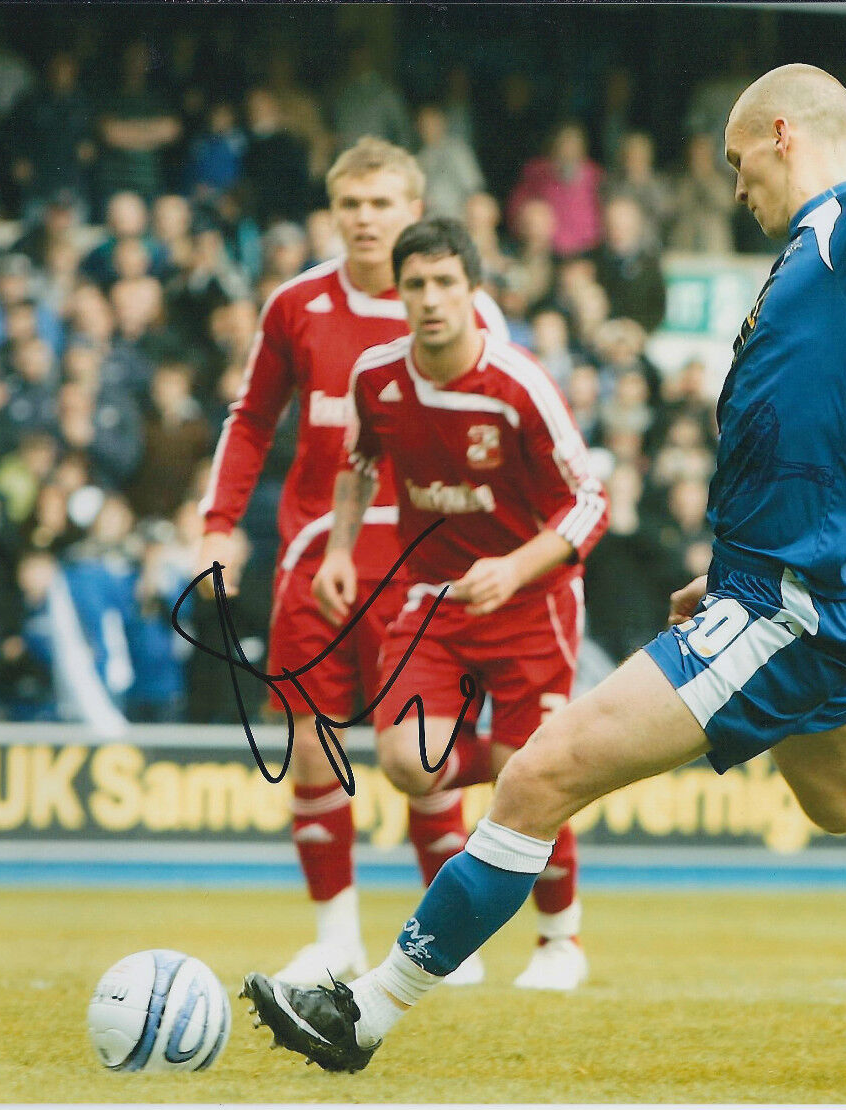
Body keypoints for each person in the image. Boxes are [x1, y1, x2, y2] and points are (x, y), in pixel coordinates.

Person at [242, 63, 846, 1073]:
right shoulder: (813, 257)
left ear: (780, 134)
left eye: (736, 164)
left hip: (785, 601)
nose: (734, 189)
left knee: (539, 774)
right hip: (782, 584)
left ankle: (362, 1014)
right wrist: (723, 569)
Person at [195, 138, 507, 987]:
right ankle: (335, 937)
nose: (366, 221)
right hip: (316, 558)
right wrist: (220, 521)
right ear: (334, 214)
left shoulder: (460, 311)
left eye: (382, 204)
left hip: (423, 561)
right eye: (351, 206)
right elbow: (252, 417)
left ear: (415, 211)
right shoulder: (296, 305)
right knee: (308, 737)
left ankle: (444, 938)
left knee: (423, 754)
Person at [312, 218, 608, 990]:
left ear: (473, 292)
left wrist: (514, 569)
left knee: (530, 777)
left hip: (532, 601)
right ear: (398, 293)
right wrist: (340, 550)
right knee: (411, 761)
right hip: (433, 597)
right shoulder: (376, 378)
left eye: (447, 282)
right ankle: (465, 923)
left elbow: (590, 504)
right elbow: (358, 464)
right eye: (416, 285)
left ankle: (559, 942)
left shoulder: (518, 385)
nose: (431, 299)